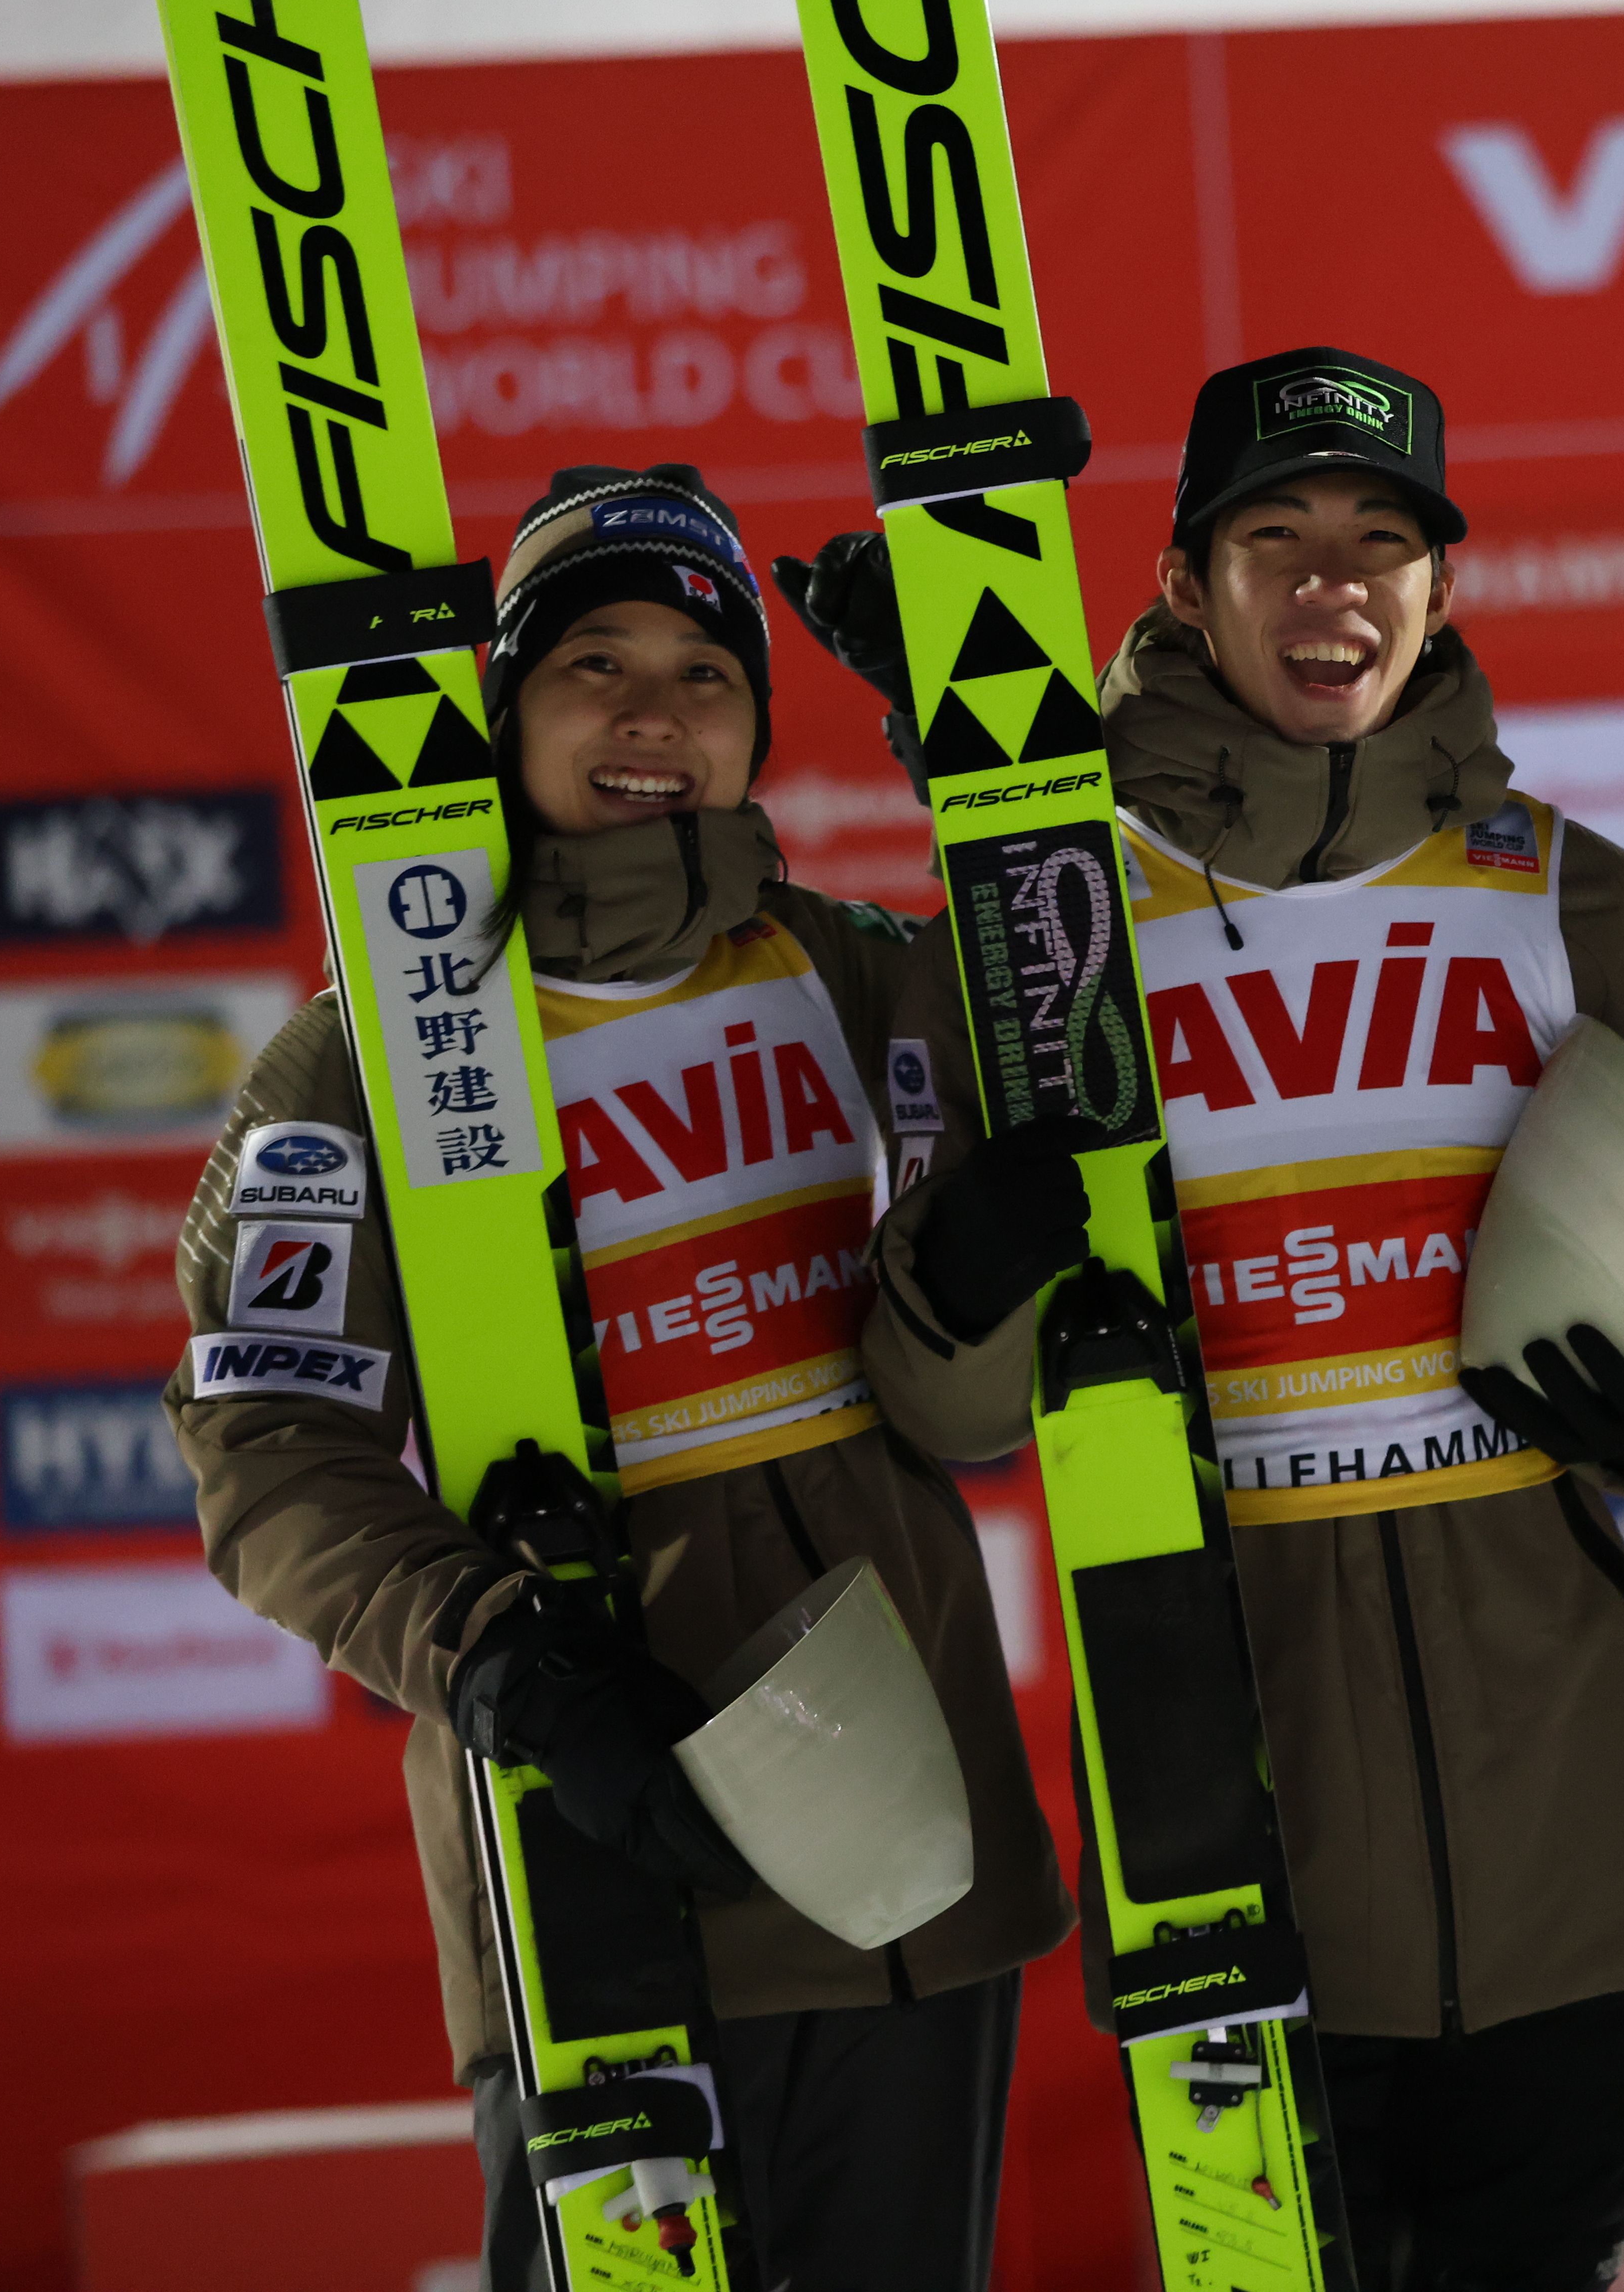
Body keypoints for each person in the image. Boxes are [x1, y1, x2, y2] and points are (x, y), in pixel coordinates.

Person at [788, 346, 1624, 2292]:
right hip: (1223, 1783)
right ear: (1179, 584)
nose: (1335, 585)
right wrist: (969, 1272)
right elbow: (949, 1407)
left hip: (1556, 1791)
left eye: (1382, 542)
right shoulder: (1047, 923)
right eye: (1277, 540)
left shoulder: (1580, 903)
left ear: (1443, 588)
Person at [169, 464, 1068, 2290]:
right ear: (506, 713)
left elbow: (1095, 1065)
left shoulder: (875, 987)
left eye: (704, 671)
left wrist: (978, 777)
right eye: (595, 663)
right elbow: (268, 1453)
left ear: (753, 725)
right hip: (586, 1863)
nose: (654, 714)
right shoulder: (355, 1070)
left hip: (903, 1853)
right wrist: (503, 1664)